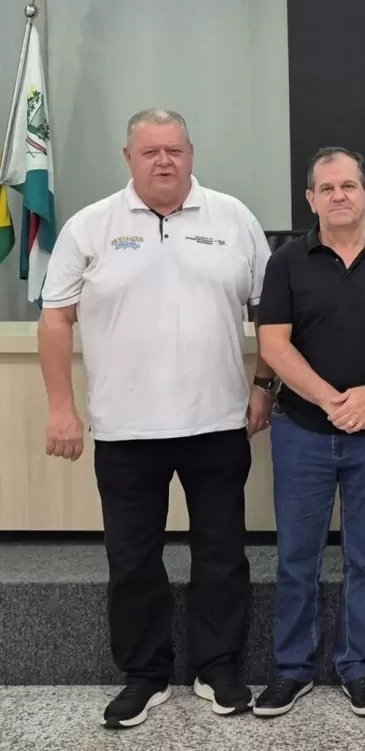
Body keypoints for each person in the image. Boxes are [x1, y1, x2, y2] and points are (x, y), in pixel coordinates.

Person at [37, 108, 272, 729]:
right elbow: (55, 317)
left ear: (191, 153)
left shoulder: (234, 218)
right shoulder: (91, 225)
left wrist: (264, 386)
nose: (163, 160)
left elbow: (272, 315)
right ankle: (144, 675)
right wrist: (60, 406)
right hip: (125, 429)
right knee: (132, 558)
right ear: (128, 158)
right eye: (149, 151)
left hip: (217, 422)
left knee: (221, 553)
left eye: (174, 149)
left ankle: (219, 668)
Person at [251, 147, 365, 718]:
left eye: (349, 185)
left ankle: (359, 667)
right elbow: (274, 344)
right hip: (301, 431)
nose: (338, 196)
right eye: (326, 188)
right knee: (296, 556)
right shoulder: (286, 262)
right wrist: (330, 400)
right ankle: (291, 669)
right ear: (311, 199)